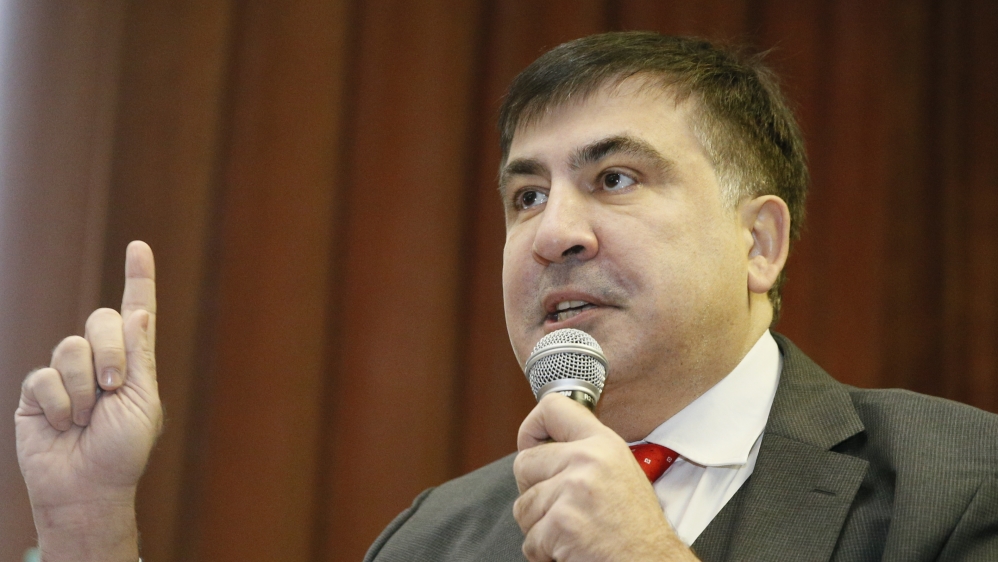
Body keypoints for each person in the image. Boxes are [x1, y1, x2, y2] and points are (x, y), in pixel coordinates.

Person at [15, 32, 998, 562]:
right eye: (525, 193)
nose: (551, 232)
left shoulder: (955, 486)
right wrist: (87, 527)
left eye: (613, 178)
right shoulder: (433, 537)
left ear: (758, 241)